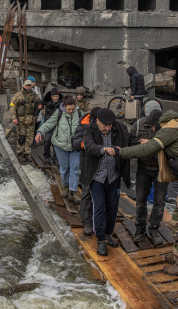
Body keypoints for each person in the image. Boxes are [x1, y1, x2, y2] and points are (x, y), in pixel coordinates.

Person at [117, 109, 178, 277]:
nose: (155, 131)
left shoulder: (169, 130)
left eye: (155, 128)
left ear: (158, 125)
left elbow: (148, 149)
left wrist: (121, 152)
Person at [83, 108, 137, 256]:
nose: (108, 128)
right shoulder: (89, 129)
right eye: (105, 125)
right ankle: (100, 240)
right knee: (99, 207)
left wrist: (141, 141)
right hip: (97, 177)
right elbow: (90, 147)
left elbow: (130, 139)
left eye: (110, 125)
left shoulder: (119, 127)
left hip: (113, 176)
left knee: (112, 208)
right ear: (98, 121)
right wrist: (105, 149)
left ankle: (107, 234)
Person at [132, 108, 169, 245]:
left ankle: (153, 229)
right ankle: (140, 228)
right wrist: (140, 144)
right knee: (140, 199)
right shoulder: (139, 124)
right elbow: (131, 140)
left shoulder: (166, 127)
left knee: (159, 202)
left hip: (161, 169)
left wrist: (150, 144)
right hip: (143, 167)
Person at [35, 96, 81, 202]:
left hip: (75, 146)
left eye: (72, 109)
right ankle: (65, 187)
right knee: (64, 167)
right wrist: (39, 132)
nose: (71, 111)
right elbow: (48, 124)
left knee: (75, 168)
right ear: (64, 107)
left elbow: (85, 126)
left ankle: (72, 192)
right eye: (69, 109)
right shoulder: (59, 113)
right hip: (60, 146)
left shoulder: (79, 113)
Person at [72, 106, 101, 236]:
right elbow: (76, 141)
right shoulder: (84, 124)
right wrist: (85, 145)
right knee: (87, 192)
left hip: (102, 164)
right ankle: (87, 223)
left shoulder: (106, 125)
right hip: (87, 163)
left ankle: (99, 222)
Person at [9, 79, 41, 162]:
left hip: (31, 121)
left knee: (29, 138)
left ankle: (27, 153)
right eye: (27, 85)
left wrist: (39, 109)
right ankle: (19, 153)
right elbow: (12, 106)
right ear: (24, 85)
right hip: (21, 121)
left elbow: (40, 103)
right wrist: (14, 118)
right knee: (21, 137)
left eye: (30, 85)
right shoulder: (18, 95)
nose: (28, 87)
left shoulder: (35, 95)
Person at [39, 88, 62, 165]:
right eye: (54, 96)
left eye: (57, 96)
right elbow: (39, 103)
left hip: (57, 125)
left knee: (56, 143)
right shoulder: (47, 102)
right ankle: (47, 156)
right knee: (47, 141)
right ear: (51, 96)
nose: (56, 98)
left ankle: (56, 159)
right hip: (48, 125)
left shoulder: (61, 104)